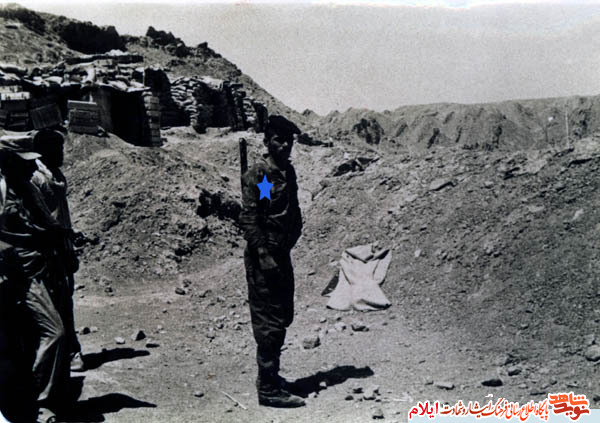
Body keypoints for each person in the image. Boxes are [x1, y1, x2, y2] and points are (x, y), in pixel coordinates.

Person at [0, 138, 70, 423]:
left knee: (50, 332)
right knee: (53, 332)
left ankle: (40, 396)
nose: (32, 167)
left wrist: (60, 238)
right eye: (25, 163)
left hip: (38, 268)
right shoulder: (3, 191)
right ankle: (35, 399)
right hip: (16, 273)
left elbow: (48, 223)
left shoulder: (26, 188)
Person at [239, 115, 305, 408]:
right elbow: (250, 219)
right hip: (263, 258)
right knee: (270, 323)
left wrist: (290, 240)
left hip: (282, 254)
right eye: (279, 139)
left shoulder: (287, 173)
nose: (285, 145)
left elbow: (293, 211)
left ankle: (271, 378)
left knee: (284, 315)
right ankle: (268, 389)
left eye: (289, 140)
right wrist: (264, 255)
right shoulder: (259, 175)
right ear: (267, 142)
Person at [32, 128, 84, 372]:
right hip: (47, 249)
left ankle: (68, 350)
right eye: (58, 149)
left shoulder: (56, 174)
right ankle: (67, 352)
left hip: (62, 245)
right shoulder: (36, 178)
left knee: (65, 299)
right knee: (54, 302)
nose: (62, 153)